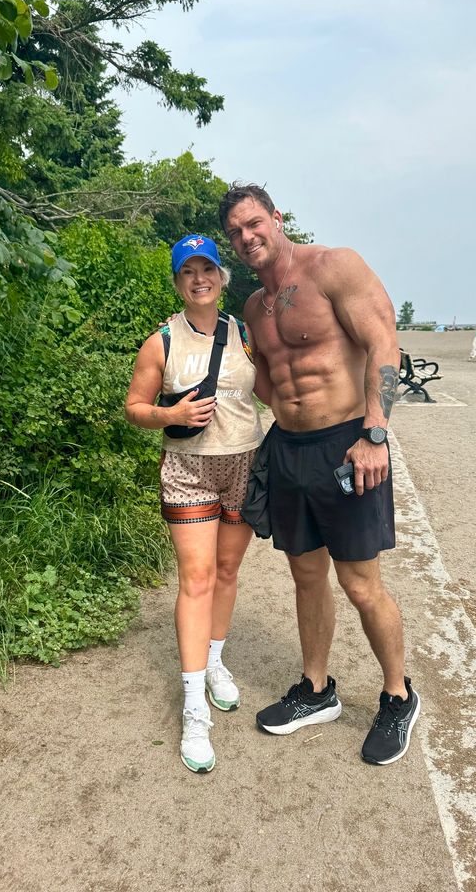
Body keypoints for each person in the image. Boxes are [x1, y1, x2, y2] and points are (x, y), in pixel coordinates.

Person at [219, 183, 419, 766]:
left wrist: (375, 432)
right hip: (288, 450)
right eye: (235, 232)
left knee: (361, 585)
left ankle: (398, 694)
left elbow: (383, 339)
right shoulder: (254, 308)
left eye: (254, 223)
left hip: (347, 443)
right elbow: (267, 379)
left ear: (276, 219)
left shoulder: (334, 266)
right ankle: (316, 690)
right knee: (307, 577)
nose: (247, 237)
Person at [124, 235, 263, 773]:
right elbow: (135, 407)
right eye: (188, 272)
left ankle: (214, 663)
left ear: (222, 277)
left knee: (227, 570)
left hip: (243, 463)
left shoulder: (244, 334)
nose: (199, 278)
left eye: (208, 269)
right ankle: (193, 708)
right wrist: (170, 417)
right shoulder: (161, 341)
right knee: (197, 577)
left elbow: (270, 389)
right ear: (178, 281)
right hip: (188, 469)